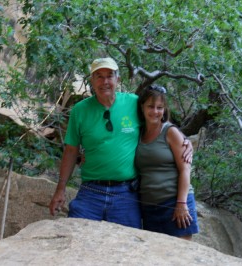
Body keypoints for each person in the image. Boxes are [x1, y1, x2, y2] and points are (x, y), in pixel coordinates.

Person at [49, 58, 193, 229]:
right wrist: (60, 189)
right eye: (99, 76)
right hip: (91, 191)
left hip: (126, 193)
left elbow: (157, 121)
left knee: (130, 244)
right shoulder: (80, 110)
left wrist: (183, 139)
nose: (105, 82)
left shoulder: (133, 103)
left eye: (110, 76)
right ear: (92, 81)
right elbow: (71, 150)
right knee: (74, 232)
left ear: (118, 79)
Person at [135, 84, 199, 240]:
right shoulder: (138, 132)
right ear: (142, 106)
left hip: (175, 203)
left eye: (160, 107)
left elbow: (185, 169)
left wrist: (181, 203)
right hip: (149, 207)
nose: (155, 112)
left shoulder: (170, 132)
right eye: (151, 106)